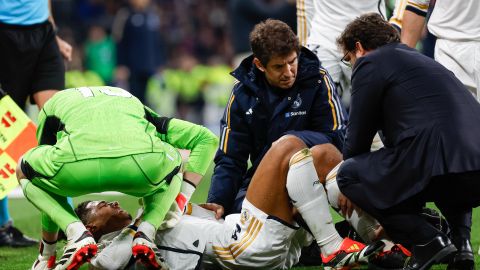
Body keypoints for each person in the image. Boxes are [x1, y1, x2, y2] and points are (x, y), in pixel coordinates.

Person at [74, 136, 385, 270]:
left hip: (249, 234)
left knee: (323, 154)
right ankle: (332, 247)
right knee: (287, 146)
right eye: (98, 205)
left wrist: (212, 210)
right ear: (92, 226)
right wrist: (75, 238)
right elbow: (102, 264)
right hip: (242, 249)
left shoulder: (148, 216)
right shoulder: (114, 251)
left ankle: (381, 240)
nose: (110, 202)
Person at [15, 86, 218, 270]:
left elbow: (45, 183)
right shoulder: (134, 104)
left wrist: (47, 254)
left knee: (24, 169)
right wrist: (179, 203)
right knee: (172, 160)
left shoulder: (53, 104)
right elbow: (206, 139)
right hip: (140, 168)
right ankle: (148, 230)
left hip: (77, 166)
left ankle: (75, 232)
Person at [335, 13, 480, 270]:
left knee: (349, 174)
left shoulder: (371, 63)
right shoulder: (423, 61)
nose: (351, 65)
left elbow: (356, 142)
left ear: (358, 47)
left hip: (436, 161)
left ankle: (428, 240)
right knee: (447, 166)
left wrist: (348, 188)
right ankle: (461, 246)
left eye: (348, 59)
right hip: (472, 168)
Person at [0, 0, 73, 248]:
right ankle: (2, 225)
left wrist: (53, 32)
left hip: (43, 33)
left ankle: (67, 219)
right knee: (4, 131)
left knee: (55, 125)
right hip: (4, 32)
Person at [296, 0, 387, 108]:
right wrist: (303, 50)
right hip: (323, 38)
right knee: (316, 108)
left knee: (374, 111)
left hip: (369, 40)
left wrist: (397, 31)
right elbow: (305, 4)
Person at [400, 0, 480, 101]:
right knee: (457, 114)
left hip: (450, 45)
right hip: (450, 50)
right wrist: (402, 66)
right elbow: (417, 5)